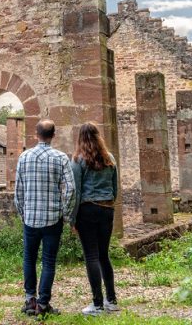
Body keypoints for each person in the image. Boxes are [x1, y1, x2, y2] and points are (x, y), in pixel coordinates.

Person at [14, 119, 76, 316]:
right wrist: (65, 213)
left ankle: (30, 300)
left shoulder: (24, 157)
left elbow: (18, 191)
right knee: (48, 261)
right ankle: (43, 304)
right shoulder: (61, 158)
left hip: (30, 218)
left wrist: (23, 213)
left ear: (35, 134)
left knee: (29, 259)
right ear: (53, 135)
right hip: (52, 219)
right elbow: (71, 189)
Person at [69, 122, 119, 316]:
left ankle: (97, 304)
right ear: (98, 136)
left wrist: (72, 219)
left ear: (80, 138)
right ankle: (112, 300)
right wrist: (108, 204)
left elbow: (76, 191)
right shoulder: (110, 158)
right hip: (107, 209)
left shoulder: (78, 159)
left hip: (87, 210)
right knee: (104, 255)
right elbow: (115, 188)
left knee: (91, 256)